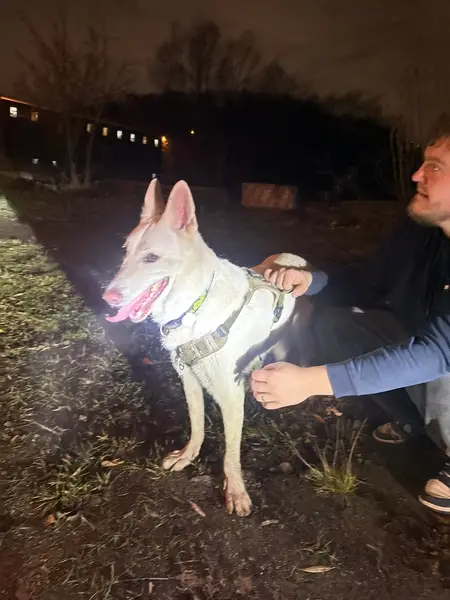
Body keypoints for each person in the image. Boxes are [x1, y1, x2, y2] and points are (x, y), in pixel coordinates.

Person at [251, 128, 450, 514]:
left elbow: (438, 353)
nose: (416, 175)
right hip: (429, 341)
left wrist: (309, 382)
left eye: (435, 167)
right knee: (337, 324)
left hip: (442, 353)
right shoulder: (418, 229)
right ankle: (410, 422)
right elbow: (366, 283)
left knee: (440, 366)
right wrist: (310, 281)